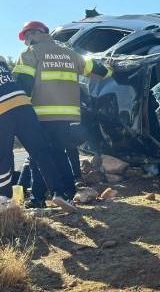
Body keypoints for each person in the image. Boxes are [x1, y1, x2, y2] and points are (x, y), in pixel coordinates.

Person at [12, 21, 111, 208]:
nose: (25, 42)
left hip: (40, 115)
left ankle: (38, 199)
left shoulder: (30, 54)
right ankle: (68, 193)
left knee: (38, 156)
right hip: (67, 116)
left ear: (34, 34)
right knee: (59, 153)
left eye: (26, 37)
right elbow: (101, 71)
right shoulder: (70, 54)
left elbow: (22, 86)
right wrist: (110, 67)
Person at [0, 56, 75, 212]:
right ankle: (59, 193)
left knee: (4, 156)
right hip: (23, 105)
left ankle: (4, 199)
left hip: (2, 110)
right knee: (41, 152)